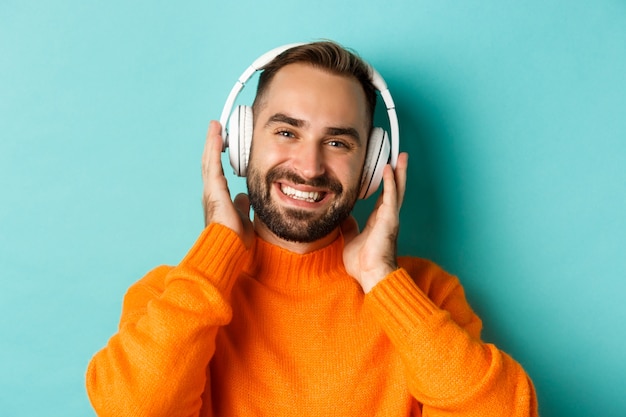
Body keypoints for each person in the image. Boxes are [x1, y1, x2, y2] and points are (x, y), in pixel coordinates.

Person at [86, 41, 538, 416]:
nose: (309, 166)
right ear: (240, 144)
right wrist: (216, 255)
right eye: (286, 132)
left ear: (371, 166)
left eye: (338, 142)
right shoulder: (172, 296)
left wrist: (380, 279)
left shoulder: (424, 295)